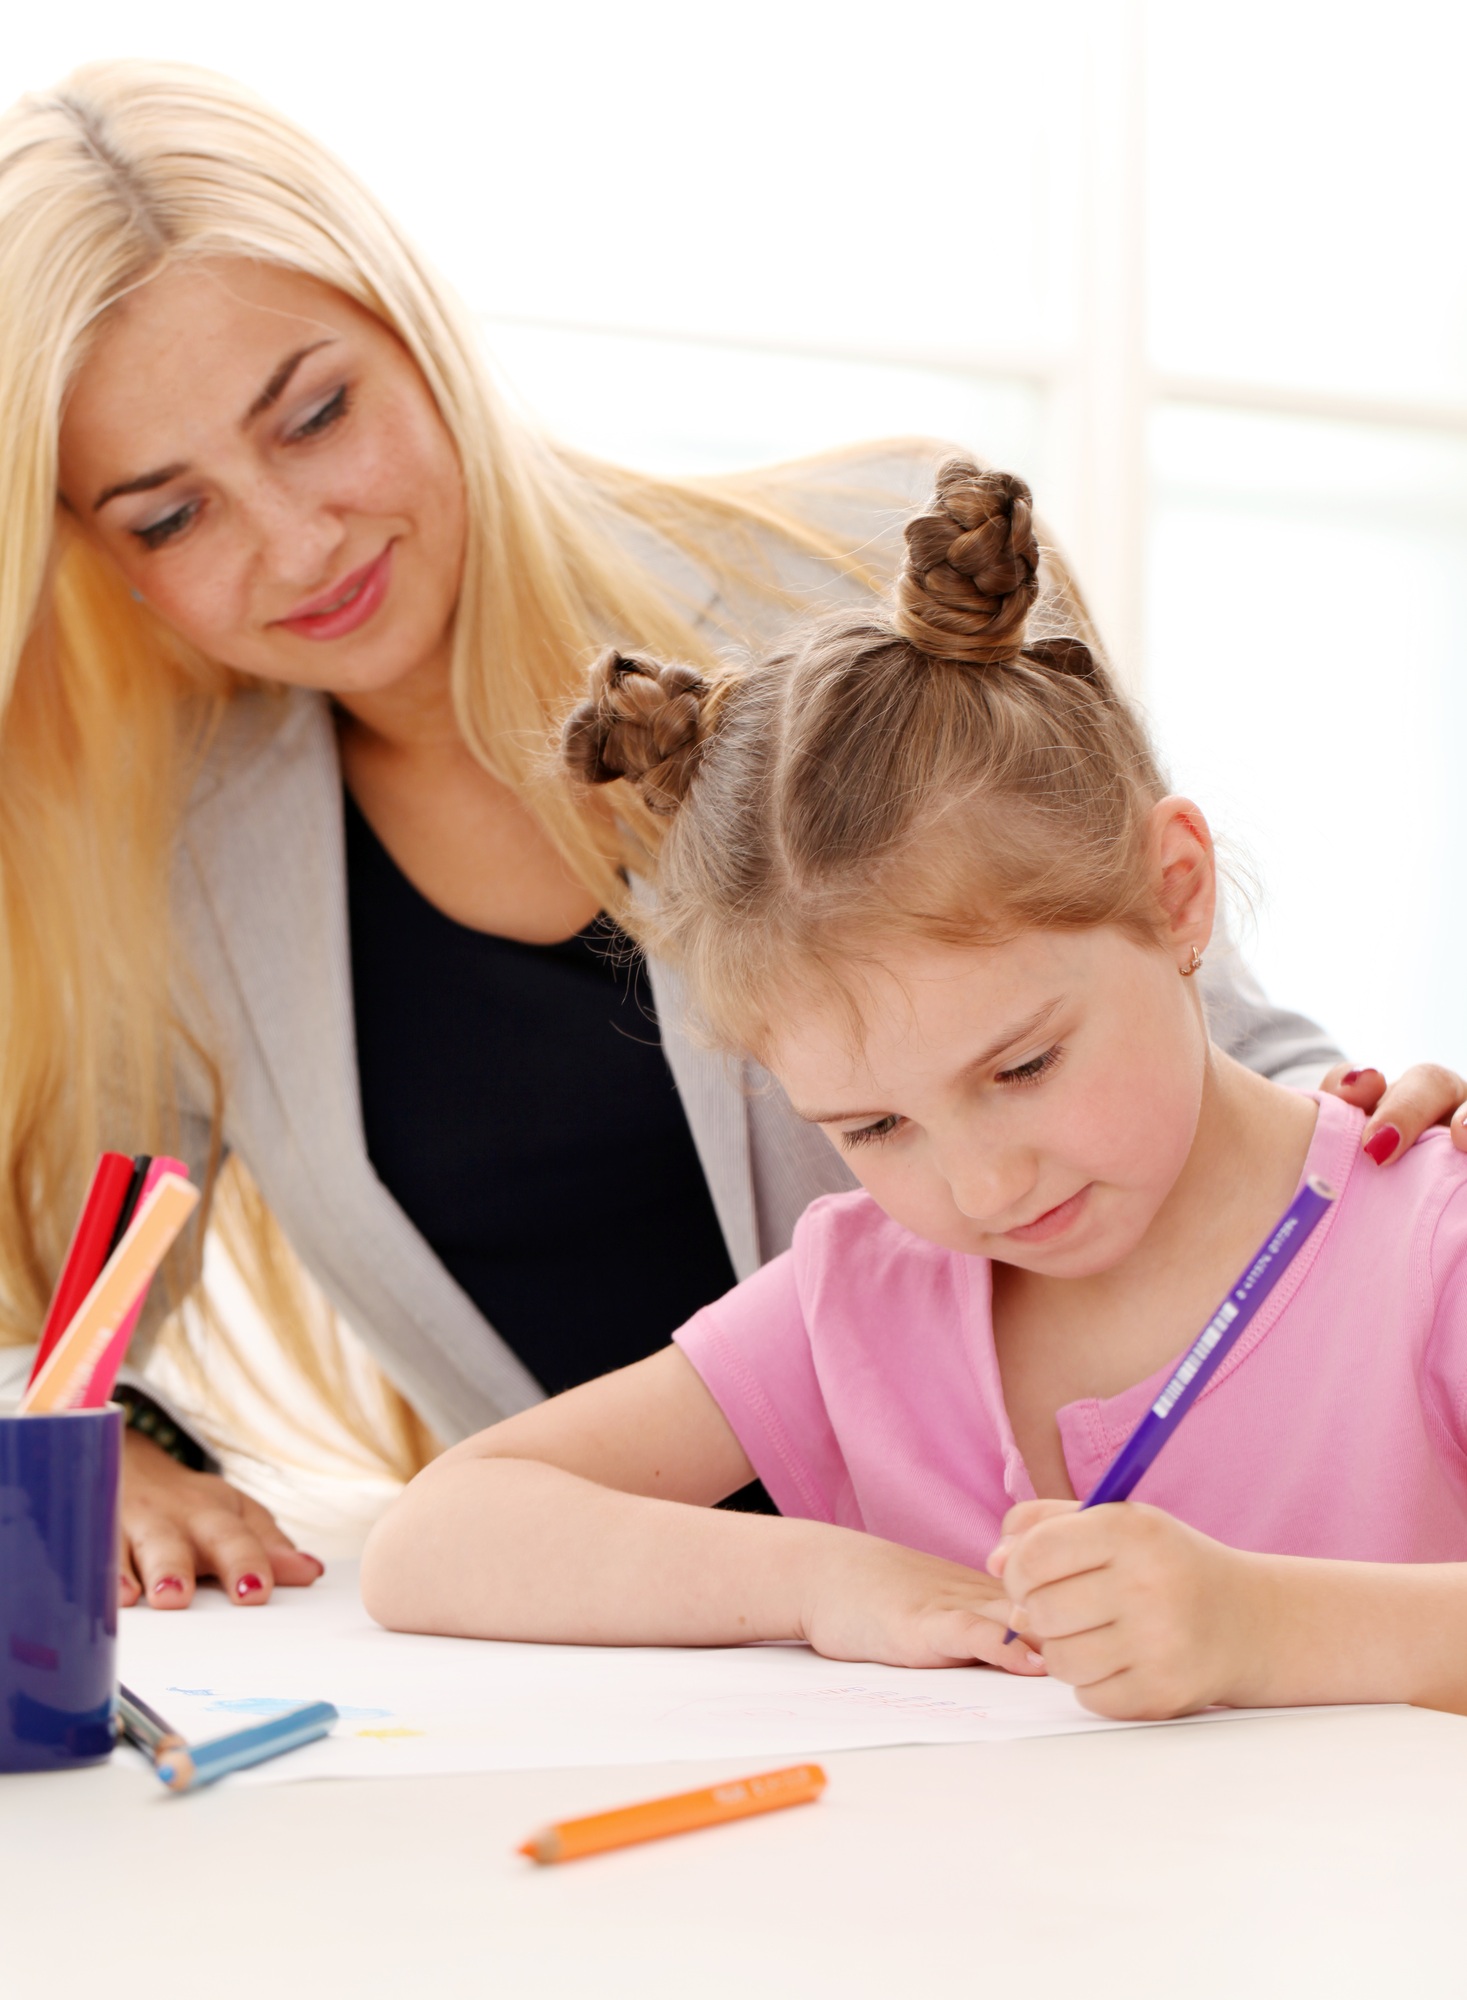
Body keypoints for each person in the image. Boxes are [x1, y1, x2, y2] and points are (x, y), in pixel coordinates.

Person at [1, 65, 1458, 1615]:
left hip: (1099, 1582)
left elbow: (1174, 1005)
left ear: (419, 339)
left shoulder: (860, 563)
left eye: (315, 415)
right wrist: (79, 1437)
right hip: (680, 1628)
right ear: (92, 550)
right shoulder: (179, 855)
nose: (295, 542)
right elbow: (66, 1301)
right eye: (169, 516)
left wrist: (1389, 1180)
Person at [361, 463, 1467, 1720]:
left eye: (1023, 1065)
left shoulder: (1426, 1247)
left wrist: (1265, 1628)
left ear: (1174, 893)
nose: (983, 1188)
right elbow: (437, 1536)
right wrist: (824, 1577)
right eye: (875, 1126)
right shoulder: (863, 1297)